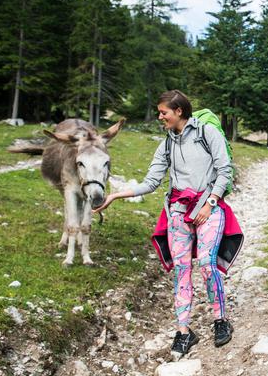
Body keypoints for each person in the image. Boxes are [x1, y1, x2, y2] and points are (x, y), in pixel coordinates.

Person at [94, 90, 243, 358]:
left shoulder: (207, 134)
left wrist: (209, 203)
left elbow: (225, 170)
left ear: (179, 111)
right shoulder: (166, 144)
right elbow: (151, 182)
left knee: (208, 263)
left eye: (164, 112)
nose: (160, 116)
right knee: (181, 269)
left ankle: (221, 320)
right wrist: (116, 194)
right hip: (177, 210)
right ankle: (184, 332)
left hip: (209, 206)